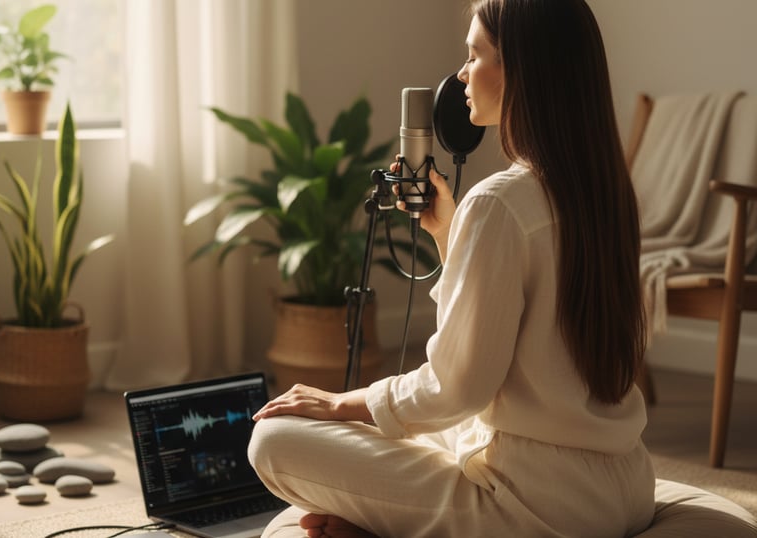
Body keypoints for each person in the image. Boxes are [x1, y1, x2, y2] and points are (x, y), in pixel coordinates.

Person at [248, 0, 656, 536]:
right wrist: (448, 235)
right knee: (417, 429)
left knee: (274, 442)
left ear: (520, 69)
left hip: (535, 503)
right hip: (625, 486)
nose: (461, 74)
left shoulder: (500, 203)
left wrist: (341, 402)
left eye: (475, 54)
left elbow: (458, 388)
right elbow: (514, 343)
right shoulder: (604, 195)